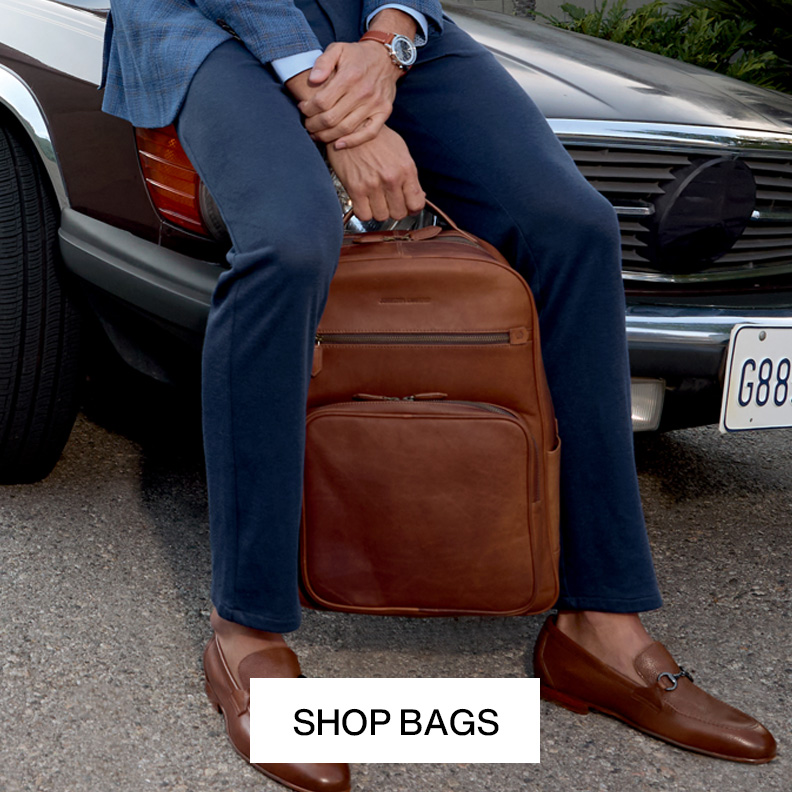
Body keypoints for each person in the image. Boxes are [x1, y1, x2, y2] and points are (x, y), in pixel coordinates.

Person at [101, 2, 777, 789]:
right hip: (217, 19)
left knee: (571, 226)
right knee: (290, 239)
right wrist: (347, 122)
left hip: (368, 21)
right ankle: (245, 633)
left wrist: (388, 42)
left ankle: (601, 625)